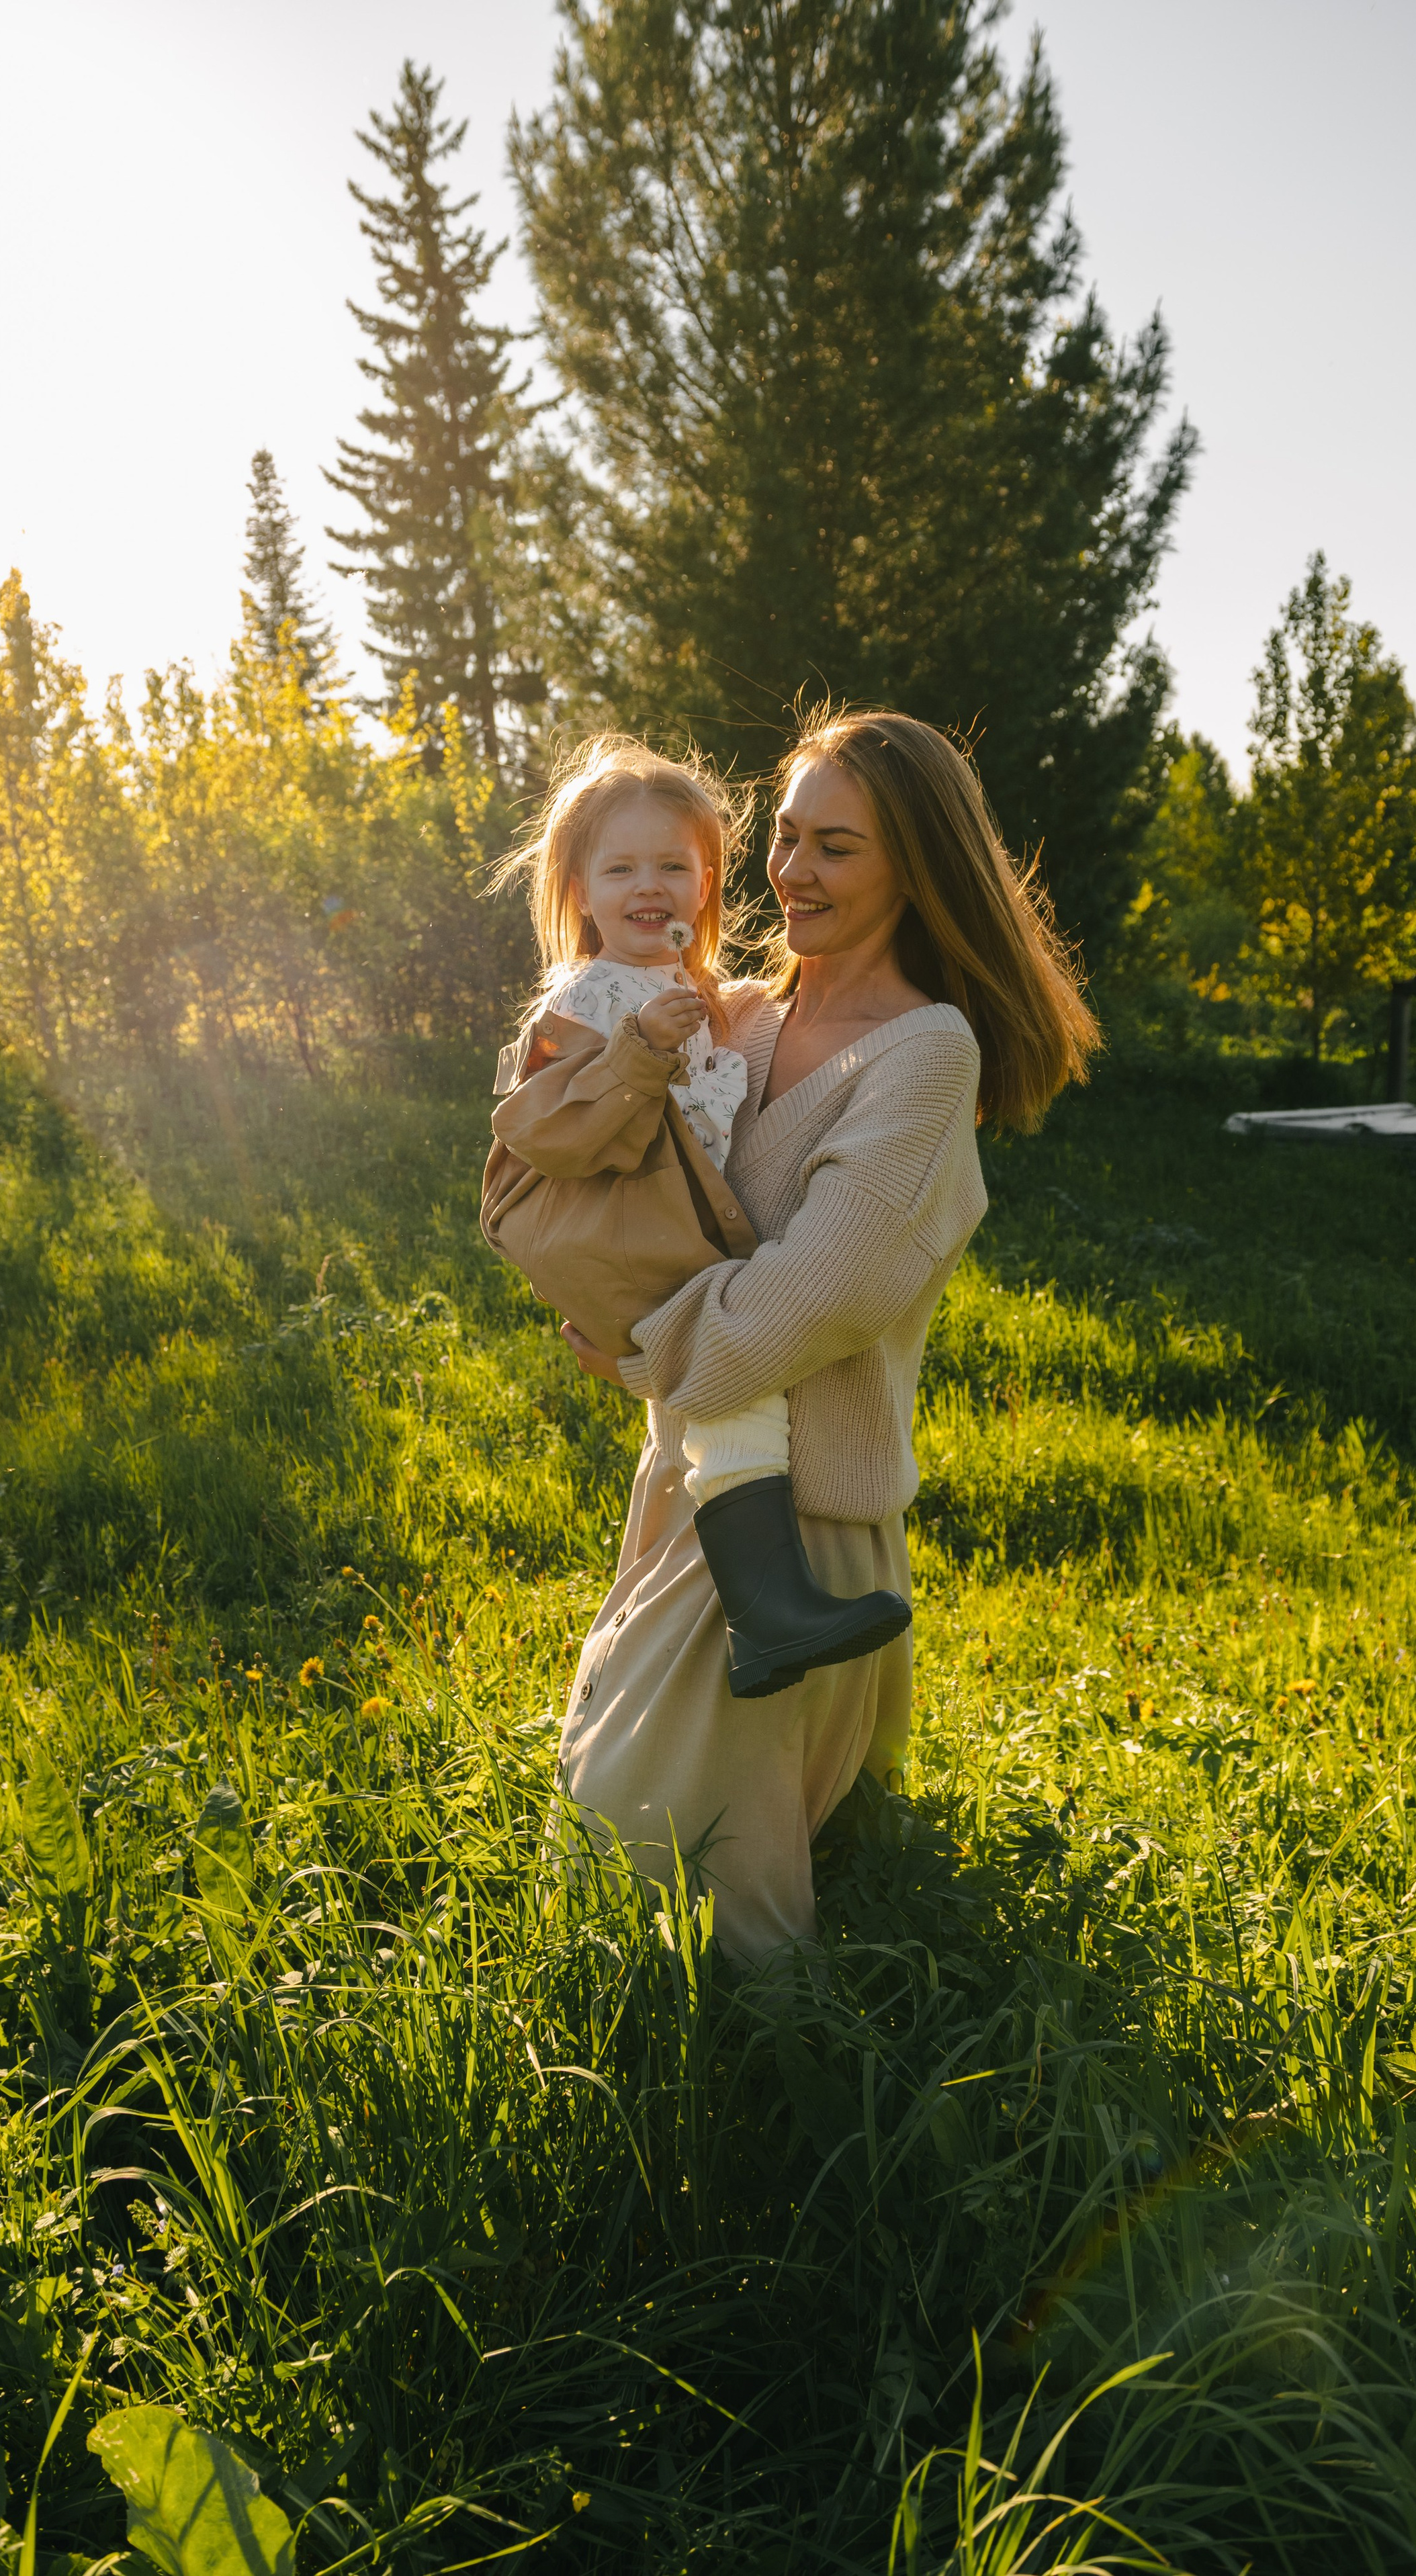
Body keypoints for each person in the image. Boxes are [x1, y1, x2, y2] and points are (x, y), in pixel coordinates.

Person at [552, 708, 1100, 1966]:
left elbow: (815, 1300)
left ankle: (799, 2122)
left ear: (916, 866)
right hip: (686, 1482)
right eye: (786, 838)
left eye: (837, 847)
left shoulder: (923, 1058)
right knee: (623, 1858)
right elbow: (612, 1176)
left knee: (690, 1890)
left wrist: (638, 1347)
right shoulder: (732, 1020)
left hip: (806, 1528)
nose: (792, 871)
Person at [484, 736, 910, 1699]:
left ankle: (766, 1611)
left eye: (675, 866)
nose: (651, 886)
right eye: (622, 868)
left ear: (708, 884)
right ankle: (770, 1608)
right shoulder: (588, 997)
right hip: (616, 1230)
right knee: (735, 1371)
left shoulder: (685, 991)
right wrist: (636, 1048)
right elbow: (544, 1129)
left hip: (662, 1225)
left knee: (735, 1394)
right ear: (580, 891)